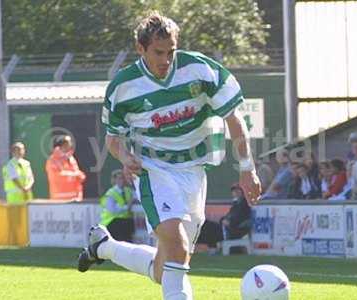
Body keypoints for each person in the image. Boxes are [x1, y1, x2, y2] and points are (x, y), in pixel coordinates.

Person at [77, 12, 261, 300]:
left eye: (171, 52)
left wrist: (247, 168)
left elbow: (234, 119)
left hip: (194, 171)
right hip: (153, 170)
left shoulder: (200, 70)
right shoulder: (123, 87)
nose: (165, 60)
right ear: (141, 49)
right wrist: (126, 158)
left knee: (166, 269)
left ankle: (104, 247)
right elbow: (113, 141)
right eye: (158, 52)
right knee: (177, 247)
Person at [45, 135, 86, 201]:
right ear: (64, 144)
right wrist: (74, 175)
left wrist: (81, 176)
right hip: (59, 199)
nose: (71, 144)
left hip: (75, 198)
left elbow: (77, 172)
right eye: (69, 142)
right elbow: (56, 176)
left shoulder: (71, 158)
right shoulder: (52, 160)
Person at [99, 169, 135, 241]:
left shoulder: (128, 190)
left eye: (123, 178)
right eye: (119, 178)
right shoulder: (110, 193)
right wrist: (127, 207)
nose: (121, 180)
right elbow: (112, 210)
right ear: (114, 180)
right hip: (113, 222)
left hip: (127, 221)